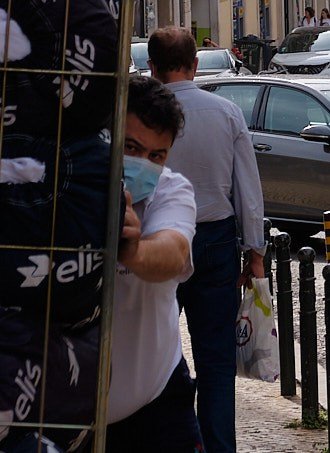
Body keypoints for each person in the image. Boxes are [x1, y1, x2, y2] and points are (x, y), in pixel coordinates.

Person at [150, 27, 265, 453]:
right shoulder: (226, 113)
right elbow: (247, 189)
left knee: (154, 352)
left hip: (158, 240)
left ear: (153, 68)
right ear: (195, 66)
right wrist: (255, 253)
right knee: (216, 362)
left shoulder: (147, 114)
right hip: (216, 240)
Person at [106, 76, 198, 453]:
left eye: (156, 156)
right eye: (130, 147)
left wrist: (131, 251)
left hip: (155, 404)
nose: (142, 164)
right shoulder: (66, 183)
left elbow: (174, 252)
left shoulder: (171, 190)